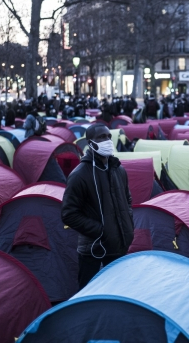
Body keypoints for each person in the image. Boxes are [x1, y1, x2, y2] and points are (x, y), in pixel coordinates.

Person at [61, 124, 134, 290]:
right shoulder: (79, 175)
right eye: (101, 137)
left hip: (119, 246)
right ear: (90, 143)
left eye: (108, 136)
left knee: (118, 293)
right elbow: (68, 214)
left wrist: (128, 222)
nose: (107, 140)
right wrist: (100, 230)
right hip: (92, 250)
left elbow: (127, 199)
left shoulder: (118, 170)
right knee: (89, 293)